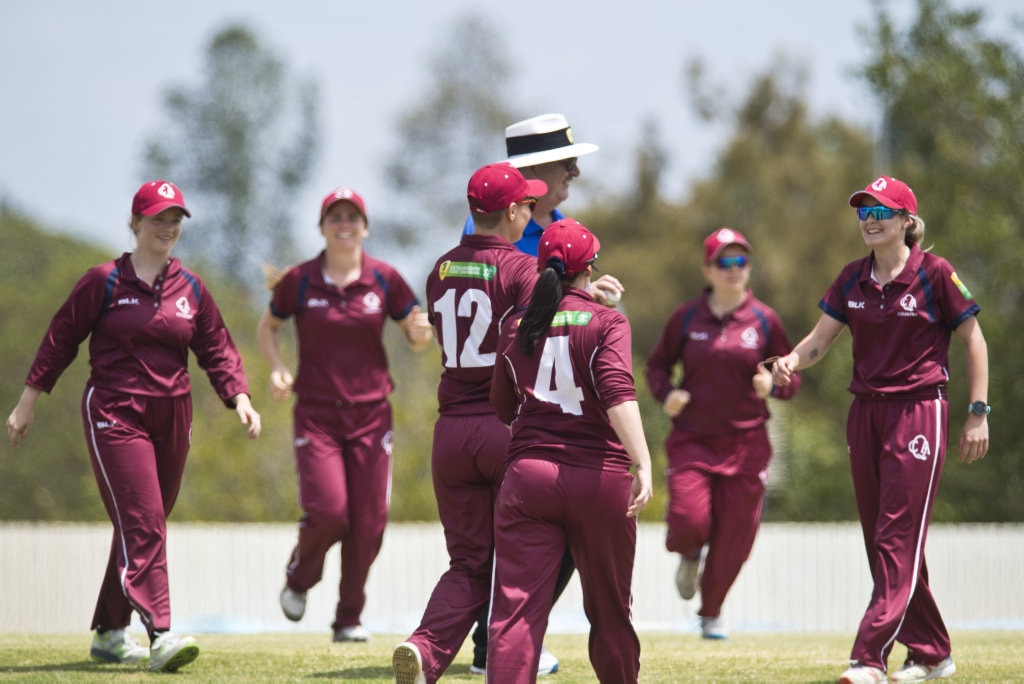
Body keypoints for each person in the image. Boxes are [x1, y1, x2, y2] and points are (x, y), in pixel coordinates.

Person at [5, 180, 262, 673]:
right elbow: (60, 339)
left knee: (144, 524)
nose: (168, 227)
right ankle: (161, 632)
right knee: (144, 523)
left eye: (175, 220)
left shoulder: (191, 288)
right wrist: (27, 402)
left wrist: (240, 398)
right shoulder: (102, 281)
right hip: (115, 412)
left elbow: (216, 347)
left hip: (173, 414)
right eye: (158, 218)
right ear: (135, 222)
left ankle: (108, 631)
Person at [771, 176, 989, 683]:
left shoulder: (936, 273)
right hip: (865, 413)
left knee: (895, 537)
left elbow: (974, 341)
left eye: (881, 212)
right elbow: (820, 341)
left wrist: (978, 411)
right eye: (864, 212)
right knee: (883, 539)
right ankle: (933, 651)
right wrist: (789, 360)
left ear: (907, 222)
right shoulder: (851, 278)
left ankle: (868, 657)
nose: (870, 220)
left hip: (919, 411)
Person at [462, 112, 620, 675]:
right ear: (534, 171)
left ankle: (501, 640)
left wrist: (588, 295)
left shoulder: (561, 229)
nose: (576, 170)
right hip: (505, 409)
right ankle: (497, 641)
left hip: (555, 417)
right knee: (527, 533)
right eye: (566, 162)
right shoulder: (499, 235)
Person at [391, 163, 548, 684]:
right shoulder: (523, 270)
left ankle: (424, 647)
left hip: (451, 432)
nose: (532, 213)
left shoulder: (438, 269)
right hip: (503, 426)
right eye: (527, 205)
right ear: (510, 212)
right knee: (521, 556)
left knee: (468, 562)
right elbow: (532, 348)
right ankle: (503, 663)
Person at [257, 186, 433, 643]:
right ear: (322, 227)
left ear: (365, 227)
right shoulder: (299, 280)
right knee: (331, 512)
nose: (344, 224)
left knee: (369, 521)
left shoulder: (385, 279)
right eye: (335, 216)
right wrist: (278, 368)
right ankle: (299, 577)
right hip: (316, 416)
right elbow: (268, 327)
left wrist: (420, 334)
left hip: (372, 417)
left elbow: (416, 336)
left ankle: (348, 618)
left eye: (352, 216)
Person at [487, 218, 654, 683]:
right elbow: (617, 391)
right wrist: (642, 460)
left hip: (529, 478)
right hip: (599, 478)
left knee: (515, 613)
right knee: (610, 611)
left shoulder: (514, 324)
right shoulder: (608, 321)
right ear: (590, 269)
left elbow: (502, 406)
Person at [645, 227, 803, 640]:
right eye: (724, 263)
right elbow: (657, 366)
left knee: (735, 538)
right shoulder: (685, 317)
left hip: (747, 444)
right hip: (693, 439)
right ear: (708, 269)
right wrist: (667, 393)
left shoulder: (766, 321)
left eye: (741, 262)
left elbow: (791, 378)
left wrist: (774, 384)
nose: (734, 270)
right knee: (688, 518)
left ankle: (710, 613)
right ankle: (689, 551)